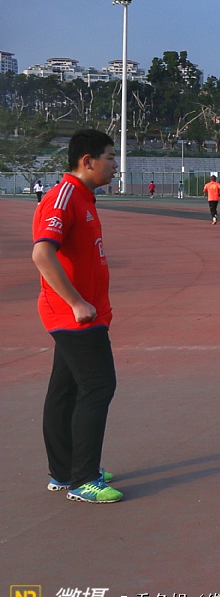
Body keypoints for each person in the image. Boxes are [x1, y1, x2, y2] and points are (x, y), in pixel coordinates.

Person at [31, 129, 123, 503]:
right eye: (110, 157)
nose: (115, 165)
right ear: (87, 161)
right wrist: (76, 302)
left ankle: (64, 471)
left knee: (65, 390)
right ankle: (84, 479)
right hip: (75, 317)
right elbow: (42, 254)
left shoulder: (83, 197)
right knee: (99, 385)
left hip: (83, 314)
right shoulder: (64, 196)